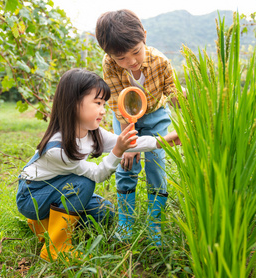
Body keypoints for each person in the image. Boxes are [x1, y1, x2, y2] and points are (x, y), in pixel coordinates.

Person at [16, 68, 180, 261]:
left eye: (104, 103)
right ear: (74, 104)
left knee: (105, 212)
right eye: (98, 103)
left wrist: (165, 141)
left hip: (57, 188)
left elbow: (128, 142)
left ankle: (45, 224)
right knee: (83, 184)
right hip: (33, 196)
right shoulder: (58, 149)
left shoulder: (92, 131)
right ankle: (55, 247)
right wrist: (118, 151)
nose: (103, 110)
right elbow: (98, 175)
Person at [95, 9, 181, 245]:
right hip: (123, 116)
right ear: (108, 54)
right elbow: (115, 102)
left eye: (136, 52)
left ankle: (155, 222)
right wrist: (129, 143)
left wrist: (184, 101)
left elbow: (172, 92)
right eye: (121, 58)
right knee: (126, 163)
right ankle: (126, 221)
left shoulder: (160, 61)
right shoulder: (109, 64)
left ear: (144, 36)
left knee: (156, 162)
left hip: (155, 115)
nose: (131, 61)